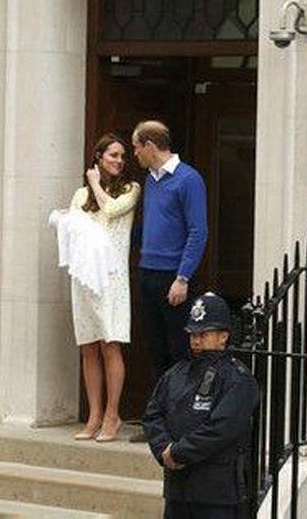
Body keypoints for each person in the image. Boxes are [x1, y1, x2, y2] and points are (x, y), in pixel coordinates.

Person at [142, 292, 258, 518]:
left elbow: (222, 428)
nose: (196, 339)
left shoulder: (238, 378)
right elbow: (152, 414)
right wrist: (163, 449)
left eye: (203, 333)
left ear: (223, 336)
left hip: (216, 494)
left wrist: (178, 453)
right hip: (178, 491)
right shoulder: (176, 373)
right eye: (193, 334)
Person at [130, 120, 208, 442]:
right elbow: (147, 228)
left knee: (180, 351)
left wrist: (183, 277)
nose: (134, 154)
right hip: (147, 272)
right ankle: (157, 426)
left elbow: (197, 231)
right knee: (156, 351)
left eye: (136, 147)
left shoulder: (189, 180)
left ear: (150, 145)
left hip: (173, 277)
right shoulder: (151, 180)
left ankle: (181, 425)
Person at [60, 134, 140, 442]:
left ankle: (112, 414)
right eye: (113, 155)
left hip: (112, 278)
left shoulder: (132, 190)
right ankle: (93, 415)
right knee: (88, 347)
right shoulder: (79, 195)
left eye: (122, 156)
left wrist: (95, 183)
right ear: (99, 157)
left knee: (111, 343)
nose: (119, 160)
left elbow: (110, 211)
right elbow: (72, 231)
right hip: (84, 279)